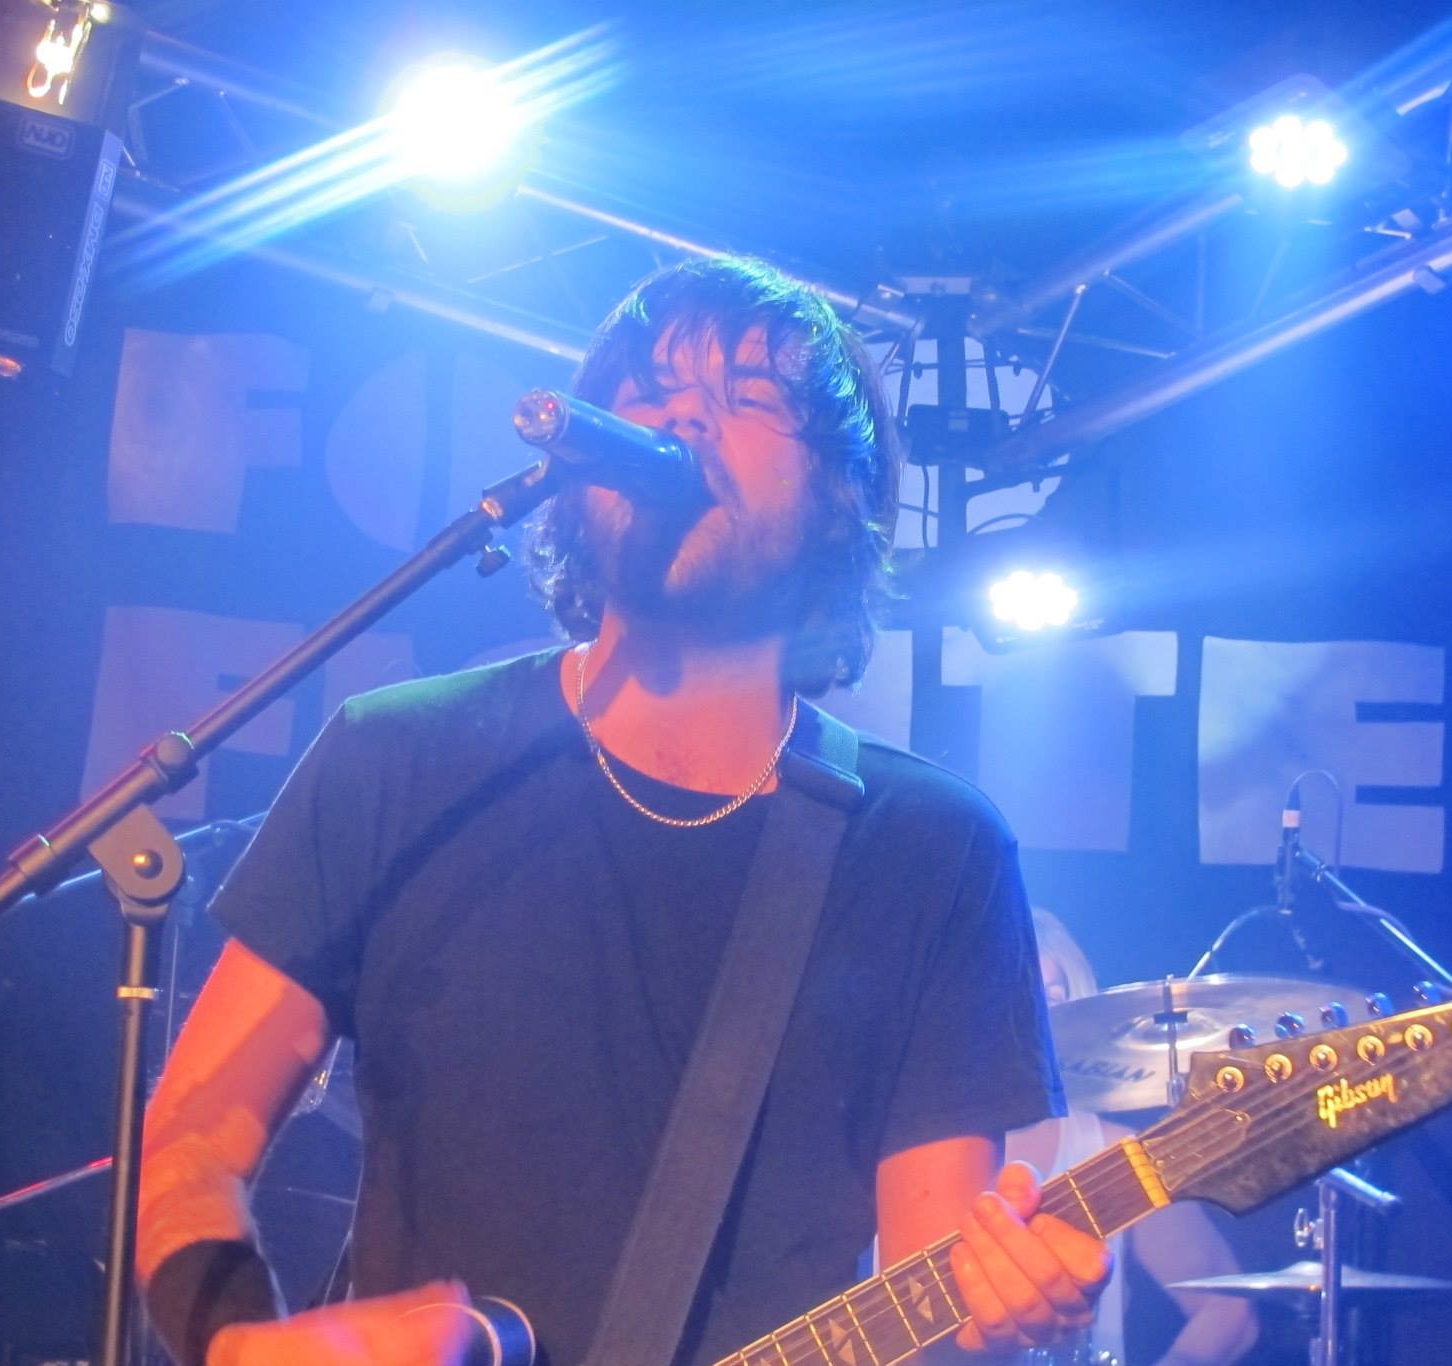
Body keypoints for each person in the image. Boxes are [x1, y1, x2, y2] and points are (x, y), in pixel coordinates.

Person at [134, 256, 1111, 1366]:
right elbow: (192, 1136)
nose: (682, 417)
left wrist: (1010, 1321)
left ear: (838, 499)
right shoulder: (399, 756)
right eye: (648, 393)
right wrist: (236, 1346)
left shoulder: (930, 848)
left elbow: (934, 1292)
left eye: (748, 399)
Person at [1007, 912, 1257, 1366]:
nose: (1037, 1016)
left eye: (1054, 998)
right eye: (1016, 993)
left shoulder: (1113, 1154)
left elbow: (1228, 1309)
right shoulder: (908, 1148)